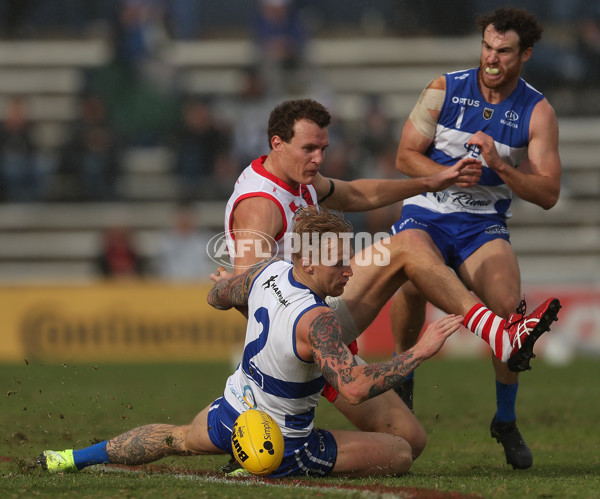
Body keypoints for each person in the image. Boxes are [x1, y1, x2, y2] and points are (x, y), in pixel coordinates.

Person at [36, 207, 464, 477]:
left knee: (176, 438)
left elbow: (216, 296)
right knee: (401, 452)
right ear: (309, 261)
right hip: (283, 444)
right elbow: (352, 388)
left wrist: (232, 285)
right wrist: (419, 351)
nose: (349, 272)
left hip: (233, 411)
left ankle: (72, 458)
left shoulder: (267, 271)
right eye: (339, 263)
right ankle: (260, 468)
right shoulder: (319, 321)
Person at [341, 7, 562, 470]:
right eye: (486, 47)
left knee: (508, 307)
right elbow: (404, 156)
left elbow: (548, 193)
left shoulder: (537, 110)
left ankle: (504, 419)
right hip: (427, 211)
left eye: (503, 51)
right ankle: (405, 376)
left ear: (525, 54)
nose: (491, 59)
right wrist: (443, 174)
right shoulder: (443, 88)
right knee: (409, 280)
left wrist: (500, 167)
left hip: (482, 222)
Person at [222, 97, 475, 465]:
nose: (319, 159)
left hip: (316, 320)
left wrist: (428, 182)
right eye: (309, 149)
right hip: (296, 339)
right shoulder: (261, 205)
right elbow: (249, 293)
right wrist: (308, 351)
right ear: (277, 143)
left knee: (410, 440)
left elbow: (356, 193)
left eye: (323, 149)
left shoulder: (295, 177)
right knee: (408, 245)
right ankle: (492, 327)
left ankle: (279, 440)